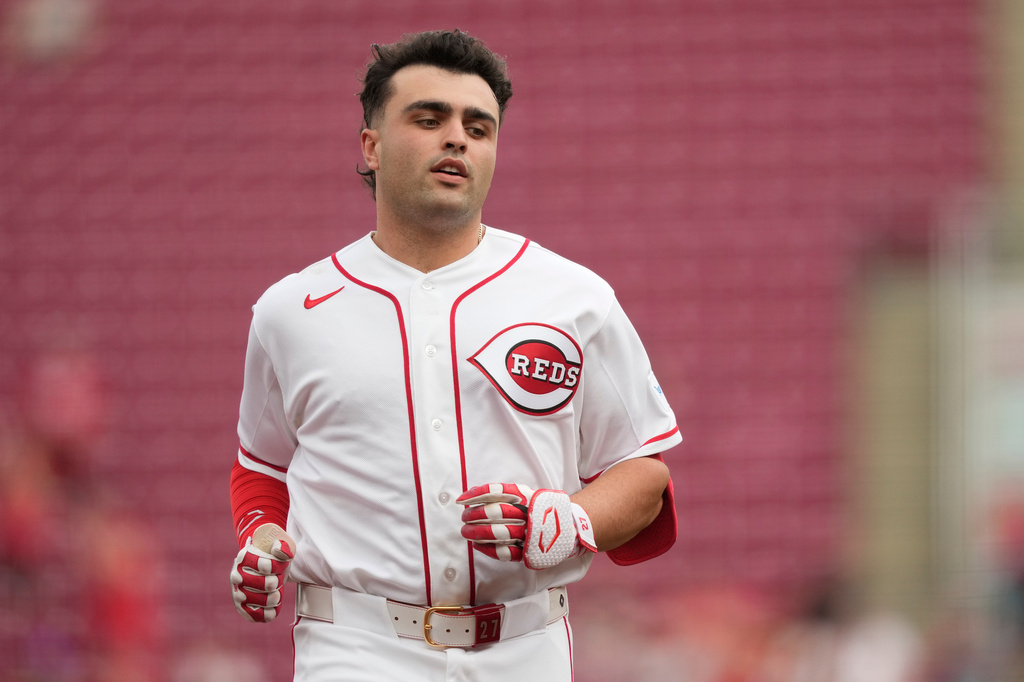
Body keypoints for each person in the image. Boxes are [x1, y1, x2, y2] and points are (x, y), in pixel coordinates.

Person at [228, 29, 682, 681]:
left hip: (526, 645)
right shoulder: (289, 310)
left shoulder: (576, 298)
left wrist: (570, 518)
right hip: (356, 647)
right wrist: (261, 537)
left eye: (479, 126)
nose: (457, 138)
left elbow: (644, 476)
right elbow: (260, 467)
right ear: (371, 145)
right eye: (429, 117)